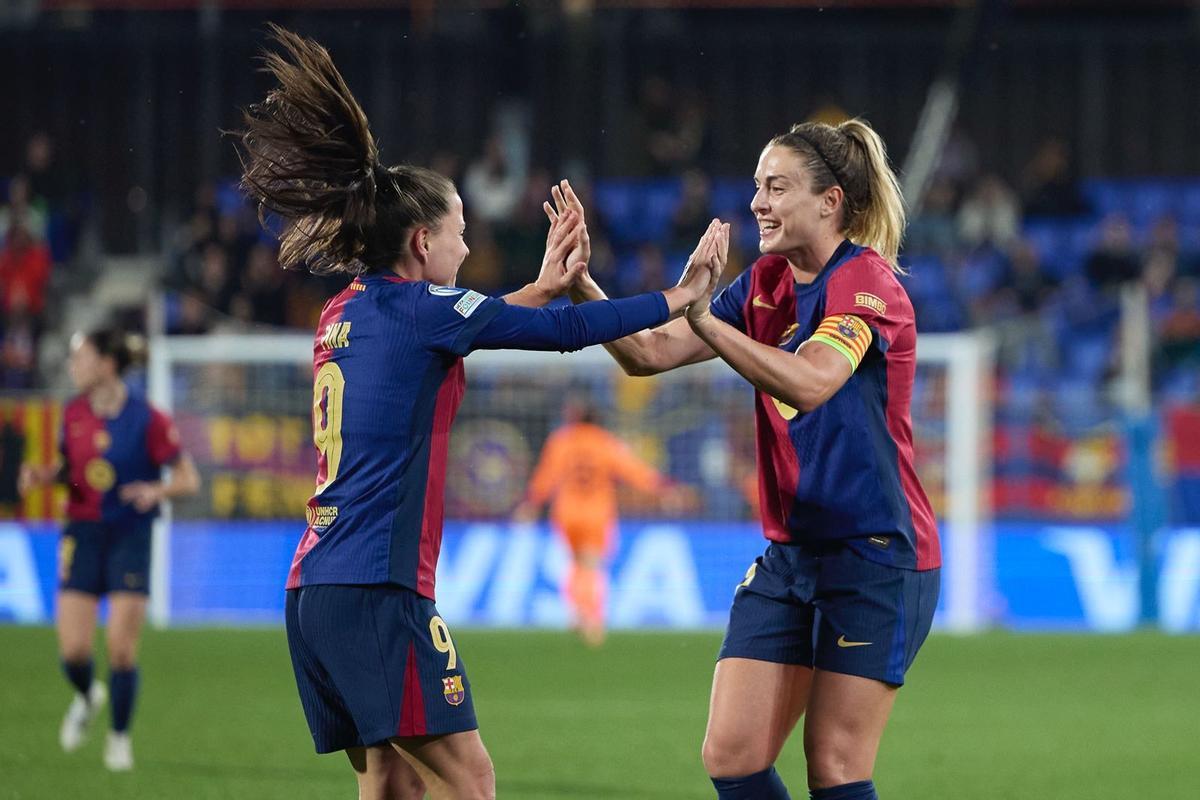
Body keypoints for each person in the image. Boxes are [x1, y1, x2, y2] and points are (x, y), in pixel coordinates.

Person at [234, 26, 720, 800]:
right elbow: (556, 334)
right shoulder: (426, 311)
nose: (468, 247)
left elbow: (469, 321)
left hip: (315, 592)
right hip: (379, 592)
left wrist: (540, 284)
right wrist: (678, 298)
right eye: (461, 233)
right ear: (423, 241)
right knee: (474, 784)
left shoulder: (344, 311)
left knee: (393, 785)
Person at [552, 117, 940, 800]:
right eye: (757, 186)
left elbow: (814, 381)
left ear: (830, 202)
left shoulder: (866, 286)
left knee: (836, 767)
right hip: (792, 554)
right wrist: (580, 283)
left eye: (777, 187)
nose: (758, 202)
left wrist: (705, 321)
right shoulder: (763, 283)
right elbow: (649, 354)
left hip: (876, 554)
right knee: (732, 754)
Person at [18, 328, 201, 771]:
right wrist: (45, 476)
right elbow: (73, 470)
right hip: (82, 534)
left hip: (130, 535)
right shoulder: (74, 413)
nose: (72, 365)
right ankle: (86, 695)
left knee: (121, 648)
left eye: (79, 356)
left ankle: (118, 738)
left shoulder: (147, 419)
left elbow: (188, 479)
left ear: (105, 363)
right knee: (74, 652)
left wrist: (156, 491)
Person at [513, 397, 688, 647]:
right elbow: (633, 471)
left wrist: (531, 502)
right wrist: (663, 488)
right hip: (596, 512)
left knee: (575, 563)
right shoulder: (605, 442)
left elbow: (546, 476)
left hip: (568, 512)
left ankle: (577, 610)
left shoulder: (561, 441)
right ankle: (592, 617)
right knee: (592, 564)